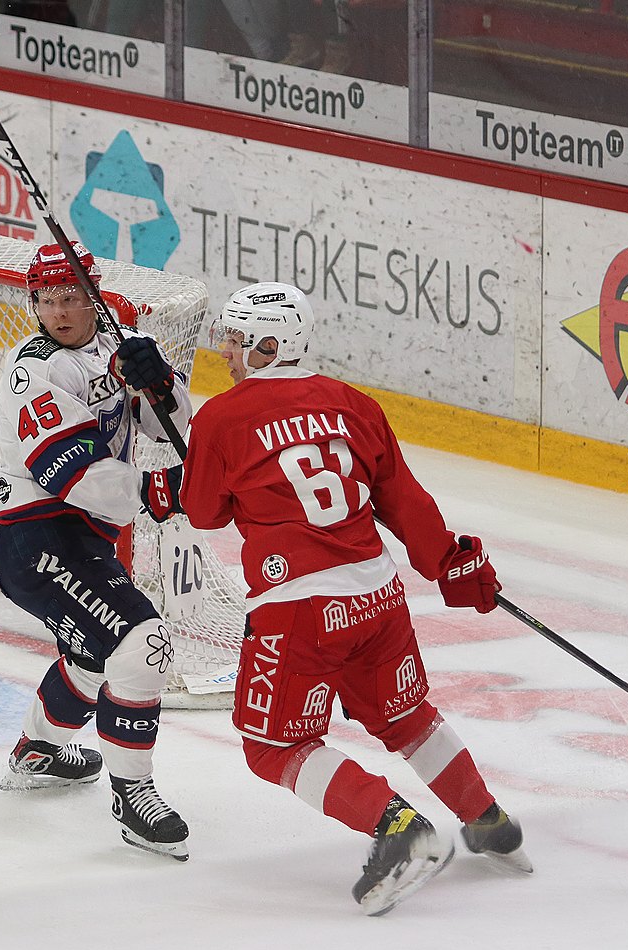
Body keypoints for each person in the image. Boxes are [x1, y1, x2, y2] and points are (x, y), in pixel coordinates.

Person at [173, 281, 531, 915]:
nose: (224, 351)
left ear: (268, 345)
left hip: (300, 604)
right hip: (379, 593)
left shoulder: (221, 418)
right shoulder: (355, 405)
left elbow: (202, 514)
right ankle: (488, 820)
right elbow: (405, 502)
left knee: (274, 746)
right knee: (404, 715)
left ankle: (399, 829)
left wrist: (167, 483)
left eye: (235, 339)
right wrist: (451, 564)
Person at [0, 242, 193, 861]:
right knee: (144, 643)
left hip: (82, 539)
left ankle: (39, 749)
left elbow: (175, 429)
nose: (59, 312)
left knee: (92, 655)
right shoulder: (34, 371)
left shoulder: (116, 344)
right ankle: (134, 795)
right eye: (46, 300)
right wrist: (155, 491)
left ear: (91, 294)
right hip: (38, 539)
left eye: (71, 297)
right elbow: (68, 474)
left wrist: (159, 380)